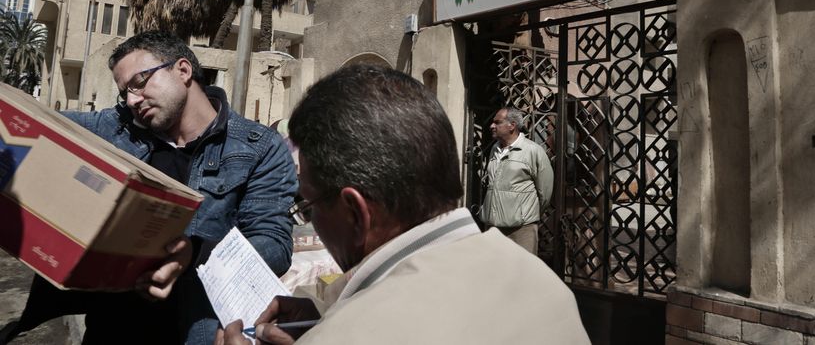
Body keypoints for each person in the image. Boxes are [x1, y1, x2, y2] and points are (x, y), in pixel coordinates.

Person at [217, 65, 590, 345]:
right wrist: (329, 315)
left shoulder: (350, 336)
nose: (310, 218)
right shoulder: (544, 282)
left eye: (309, 205)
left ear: (355, 213)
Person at [9, 31, 297, 345]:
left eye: (140, 81)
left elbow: (274, 245)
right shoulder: (116, 128)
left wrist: (198, 252)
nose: (132, 100)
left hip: (194, 330)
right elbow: (40, 127)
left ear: (183, 70)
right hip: (109, 330)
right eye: (125, 93)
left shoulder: (259, 147)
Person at [478, 106, 554, 255]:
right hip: (493, 226)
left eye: (497, 122)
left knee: (522, 273)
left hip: (521, 229)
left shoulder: (533, 151)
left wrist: (527, 215)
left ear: (512, 125)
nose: (491, 126)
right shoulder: (495, 148)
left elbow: (545, 191)